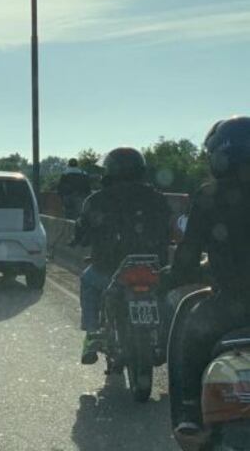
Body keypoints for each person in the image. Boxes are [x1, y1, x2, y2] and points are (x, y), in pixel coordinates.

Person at [164, 116, 250, 439]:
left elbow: (187, 257)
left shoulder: (209, 195)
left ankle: (189, 412)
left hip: (230, 307)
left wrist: (173, 276)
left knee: (192, 331)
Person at [71, 147, 171, 365]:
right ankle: (166, 339)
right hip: (154, 269)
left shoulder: (97, 199)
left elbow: (83, 233)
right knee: (167, 297)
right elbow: (170, 230)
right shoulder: (157, 198)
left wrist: (78, 238)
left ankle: (91, 334)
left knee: (88, 282)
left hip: (109, 269)